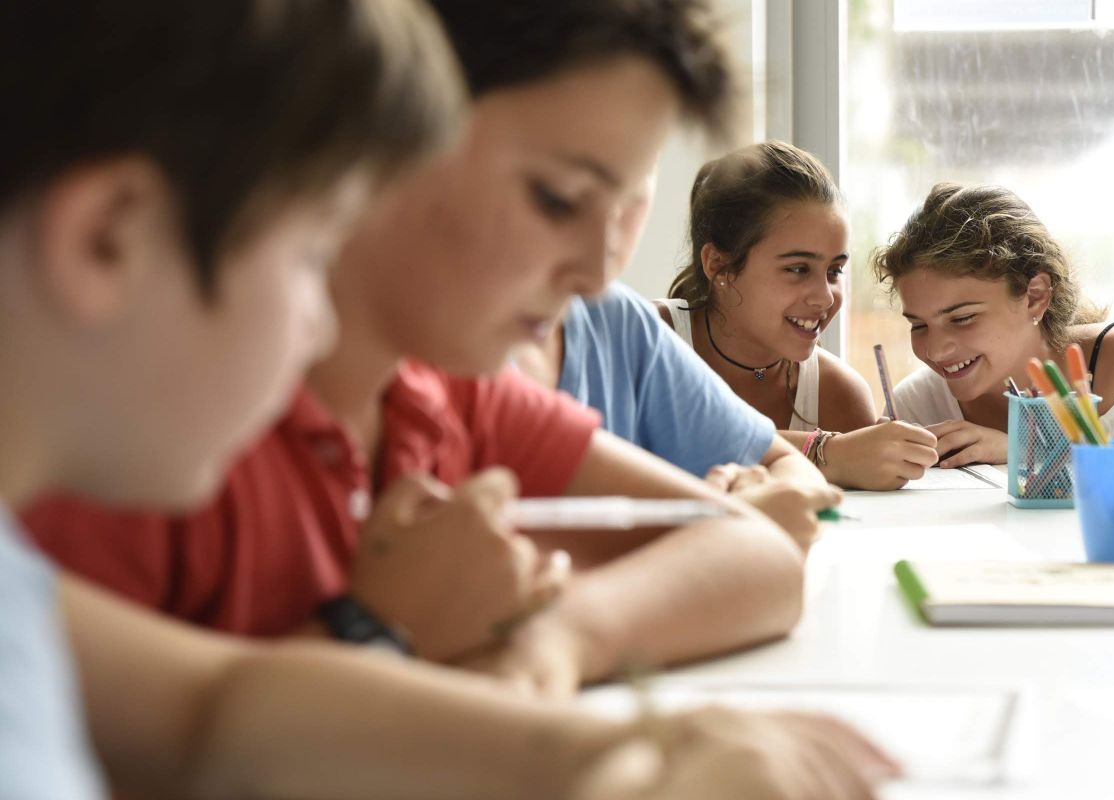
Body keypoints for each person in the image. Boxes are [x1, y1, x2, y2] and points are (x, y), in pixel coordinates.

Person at [23, 0, 840, 700]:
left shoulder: (446, 396)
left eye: (628, 204)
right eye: (556, 199)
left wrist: (549, 643)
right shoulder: (140, 434)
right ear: (394, 139)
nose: (596, 275)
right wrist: (380, 631)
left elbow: (756, 558)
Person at [513, 176, 832, 547]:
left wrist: (746, 507)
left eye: (631, 193)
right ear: (718, 266)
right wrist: (723, 519)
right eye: (560, 195)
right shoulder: (473, 371)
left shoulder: (620, 323)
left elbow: (787, 470)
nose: (598, 267)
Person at [660, 141, 938, 490]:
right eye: (797, 269)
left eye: (834, 271)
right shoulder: (646, 338)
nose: (825, 297)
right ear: (719, 266)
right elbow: (640, 445)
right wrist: (825, 453)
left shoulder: (839, 396)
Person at [872, 183, 1114, 466]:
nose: (936, 352)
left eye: (962, 318)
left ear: (1035, 296)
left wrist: (1021, 451)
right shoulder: (915, 406)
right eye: (919, 326)